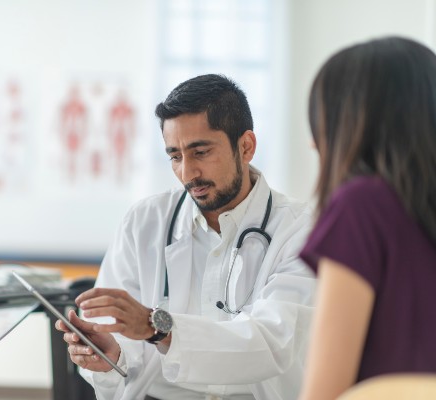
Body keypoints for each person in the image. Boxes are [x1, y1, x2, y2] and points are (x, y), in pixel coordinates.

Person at [56, 74, 316, 400]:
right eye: (175, 156)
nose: (187, 173)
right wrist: (108, 357)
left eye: (201, 152)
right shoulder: (144, 222)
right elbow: (121, 351)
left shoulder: (301, 230)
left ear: (246, 146)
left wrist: (157, 328)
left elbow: (273, 342)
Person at [299, 36, 436, 400]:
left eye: (320, 121)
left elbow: (324, 393)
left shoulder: (362, 207)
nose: (314, 143)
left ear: (354, 124)